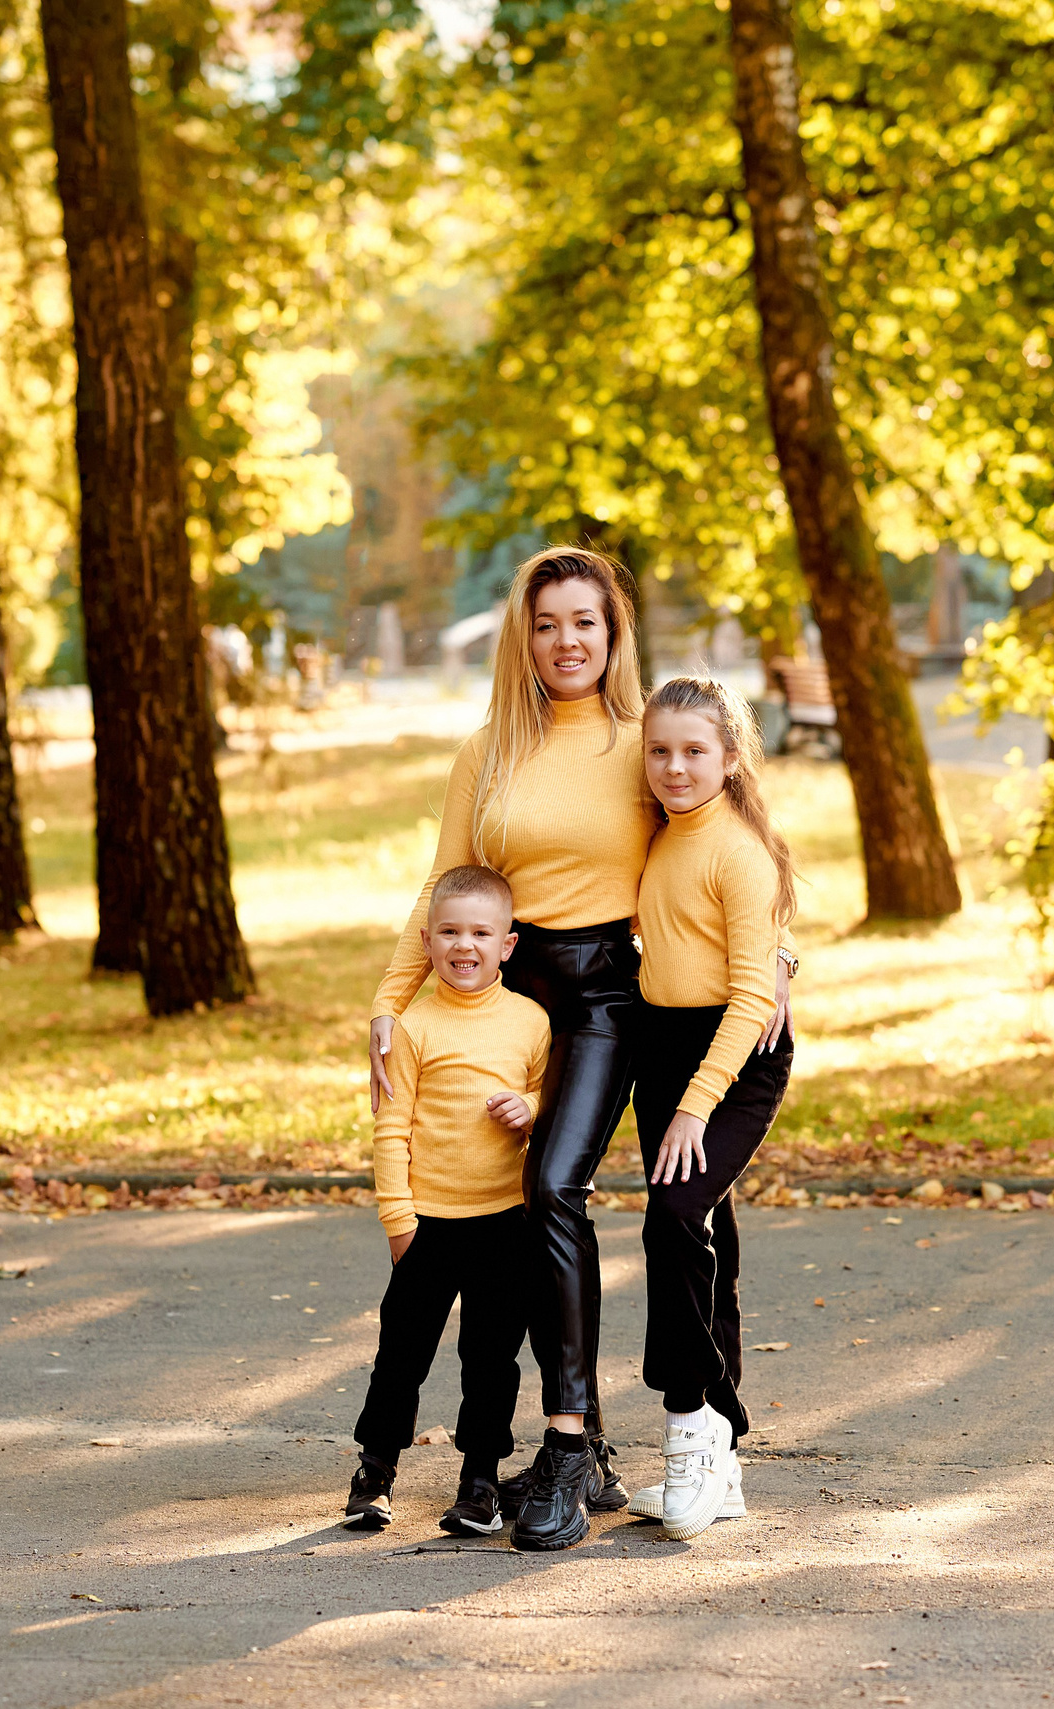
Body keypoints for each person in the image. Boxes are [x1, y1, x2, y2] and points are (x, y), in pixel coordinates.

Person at [366, 546, 797, 1553]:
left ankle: (566, 1441)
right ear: (525, 633)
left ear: (614, 636)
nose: (568, 640)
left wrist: (778, 949)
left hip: (608, 994)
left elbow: (730, 839)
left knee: (557, 1183)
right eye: (550, 622)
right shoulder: (489, 749)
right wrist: (391, 999)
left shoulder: (642, 742)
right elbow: (443, 889)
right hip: (509, 997)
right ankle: (589, 1440)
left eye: (586, 623)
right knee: (511, 1201)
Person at [623, 676, 798, 1541]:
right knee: (707, 1235)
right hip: (664, 1048)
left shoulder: (739, 851)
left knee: (673, 1211)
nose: (675, 766)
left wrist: (696, 1107)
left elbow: (748, 1000)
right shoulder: (657, 831)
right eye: (660, 750)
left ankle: (696, 1419)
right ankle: (721, 1464)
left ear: (731, 759)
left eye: (695, 751)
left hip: (734, 1059)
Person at [345, 864, 550, 1534]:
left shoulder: (530, 1021)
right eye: (450, 932)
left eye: (481, 933)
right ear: (428, 943)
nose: (465, 946)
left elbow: (553, 1096)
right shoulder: (412, 1026)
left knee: (491, 1358)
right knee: (401, 1351)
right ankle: (376, 1469)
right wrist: (397, 1216)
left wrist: (531, 1107)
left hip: (502, 1221)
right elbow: (390, 1125)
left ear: (508, 945)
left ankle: (480, 1481)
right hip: (428, 1221)